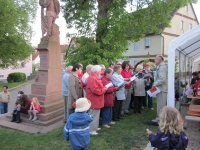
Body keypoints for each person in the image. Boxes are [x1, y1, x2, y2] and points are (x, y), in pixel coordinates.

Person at [86, 65, 107, 135]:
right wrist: (104, 89)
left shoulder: (94, 77)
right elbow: (95, 90)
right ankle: (92, 130)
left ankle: (95, 127)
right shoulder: (92, 78)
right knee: (93, 115)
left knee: (96, 115)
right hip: (94, 100)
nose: (101, 72)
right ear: (96, 71)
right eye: (100, 71)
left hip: (96, 100)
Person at [152, 55, 168, 123]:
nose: (154, 60)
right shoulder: (160, 66)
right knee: (160, 103)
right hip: (161, 88)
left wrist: (154, 84)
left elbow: (162, 79)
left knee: (161, 104)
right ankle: (160, 118)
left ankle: (159, 119)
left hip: (162, 88)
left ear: (159, 60)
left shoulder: (162, 67)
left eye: (155, 59)